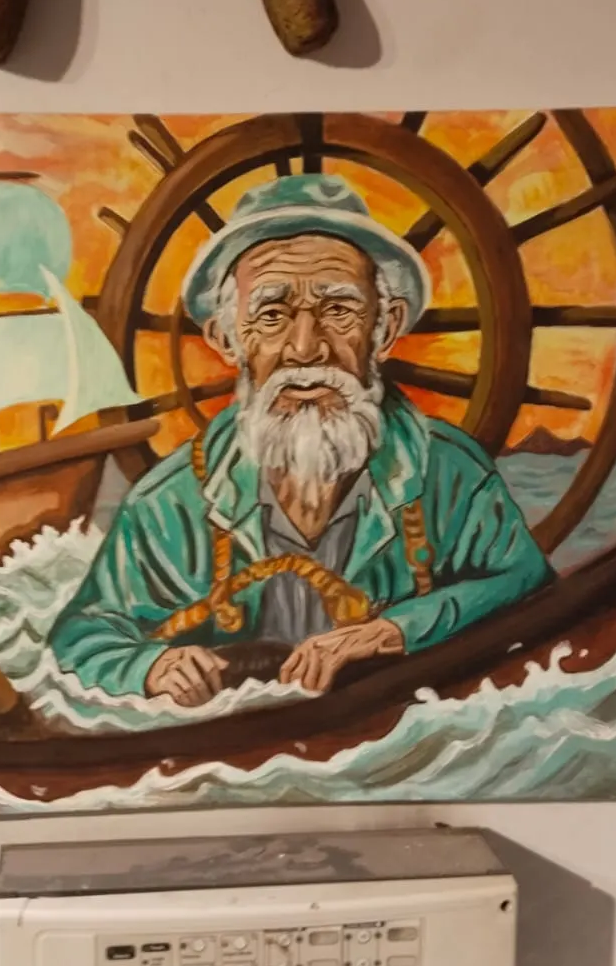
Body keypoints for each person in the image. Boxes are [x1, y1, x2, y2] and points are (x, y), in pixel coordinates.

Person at [50, 175, 551, 706]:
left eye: (338, 311)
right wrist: (151, 667)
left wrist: (395, 631)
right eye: (272, 316)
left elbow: (527, 588)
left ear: (385, 328)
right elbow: (81, 642)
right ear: (226, 339)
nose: (306, 349)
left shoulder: (450, 473)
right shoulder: (168, 503)